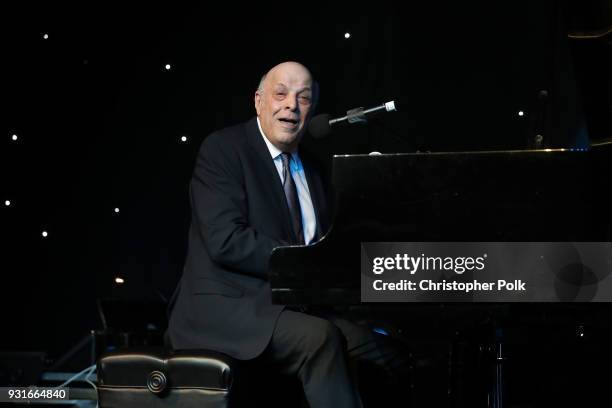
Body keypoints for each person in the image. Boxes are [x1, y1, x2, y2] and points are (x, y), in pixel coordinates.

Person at [168, 61, 405, 407]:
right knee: (321, 339)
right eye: (280, 94)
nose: (291, 105)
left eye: (303, 98)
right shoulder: (223, 150)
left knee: (392, 353)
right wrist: (309, 264)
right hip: (227, 309)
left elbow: (330, 249)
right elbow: (226, 242)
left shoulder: (315, 170)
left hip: (295, 310)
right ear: (258, 101)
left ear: (311, 111)